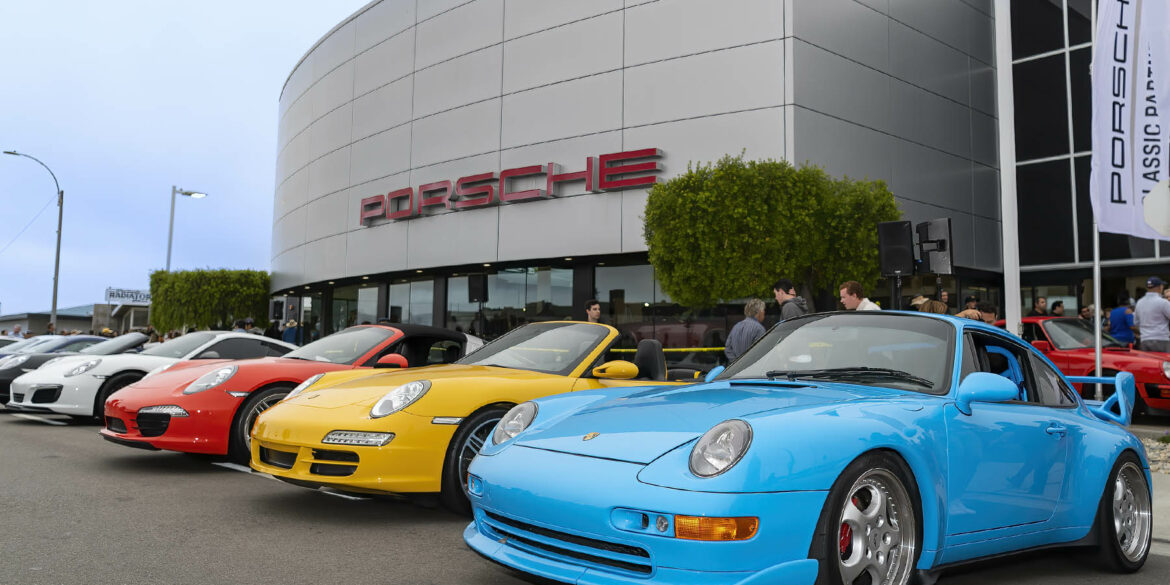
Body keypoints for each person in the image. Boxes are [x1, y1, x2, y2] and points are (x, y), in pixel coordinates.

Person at [1134, 277, 1170, 353]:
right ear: (1160, 287)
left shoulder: (1139, 302)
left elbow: (1135, 322)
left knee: (1148, 364)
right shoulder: (1163, 302)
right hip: (1161, 339)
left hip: (1144, 340)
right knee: (1164, 363)